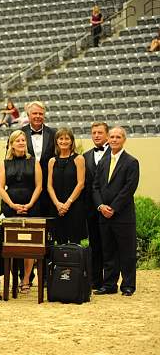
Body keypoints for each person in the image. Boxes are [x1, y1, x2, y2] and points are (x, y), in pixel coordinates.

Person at [92, 127, 139, 296]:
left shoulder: (131, 162)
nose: (114, 140)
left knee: (126, 252)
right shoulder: (103, 162)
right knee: (108, 251)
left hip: (122, 215)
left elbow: (129, 189)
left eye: (117, 137)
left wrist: (113, 208)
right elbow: (95, 187)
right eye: (111, 137)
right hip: (104, 215)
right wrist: (100, 206)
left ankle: (128, 285)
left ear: (123, 139)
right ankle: (110, 284)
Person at [0, 130, 42, 293]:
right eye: (18, 140)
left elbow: (39, 186)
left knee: (29, 245)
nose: (22, 142)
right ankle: (14, 280)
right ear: (12, 144)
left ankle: (26, 280)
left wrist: (29, 204)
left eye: (23, 140)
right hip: (10, 207)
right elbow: (1, 188)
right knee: (11, 244)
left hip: (32, 205)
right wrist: (12, 205)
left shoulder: (34, 161)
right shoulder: (5, 163)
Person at [47, 128, 87, 244]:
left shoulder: (79, 159)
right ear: (56, 141)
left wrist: (67, 203)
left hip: (74, 206)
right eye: (61, 138)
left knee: (75, 241)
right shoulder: (52, 161)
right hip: (56, 206)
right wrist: (58, 204)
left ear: (71, 141)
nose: (64, 141)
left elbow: (81, 183)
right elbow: (49, 186)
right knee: (59, 241)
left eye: (67, 138)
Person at [82, 122, 109, 289]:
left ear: (106, 135)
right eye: (94, 133)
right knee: (95, 245)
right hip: (91, 209)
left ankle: (110, 281)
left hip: (110, 208)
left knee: (110, 245)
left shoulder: (114, 155)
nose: (97, 135)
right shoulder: (85, 156)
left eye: (100, 132)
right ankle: (95, 280)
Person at [20, 101, 56, 217]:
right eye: (34, 113)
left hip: (48, 188)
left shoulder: (54, 133)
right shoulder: (19, 134)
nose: (38, 116)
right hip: (25, 187)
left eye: (40, 114)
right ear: (28, 115)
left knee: (48, 221)